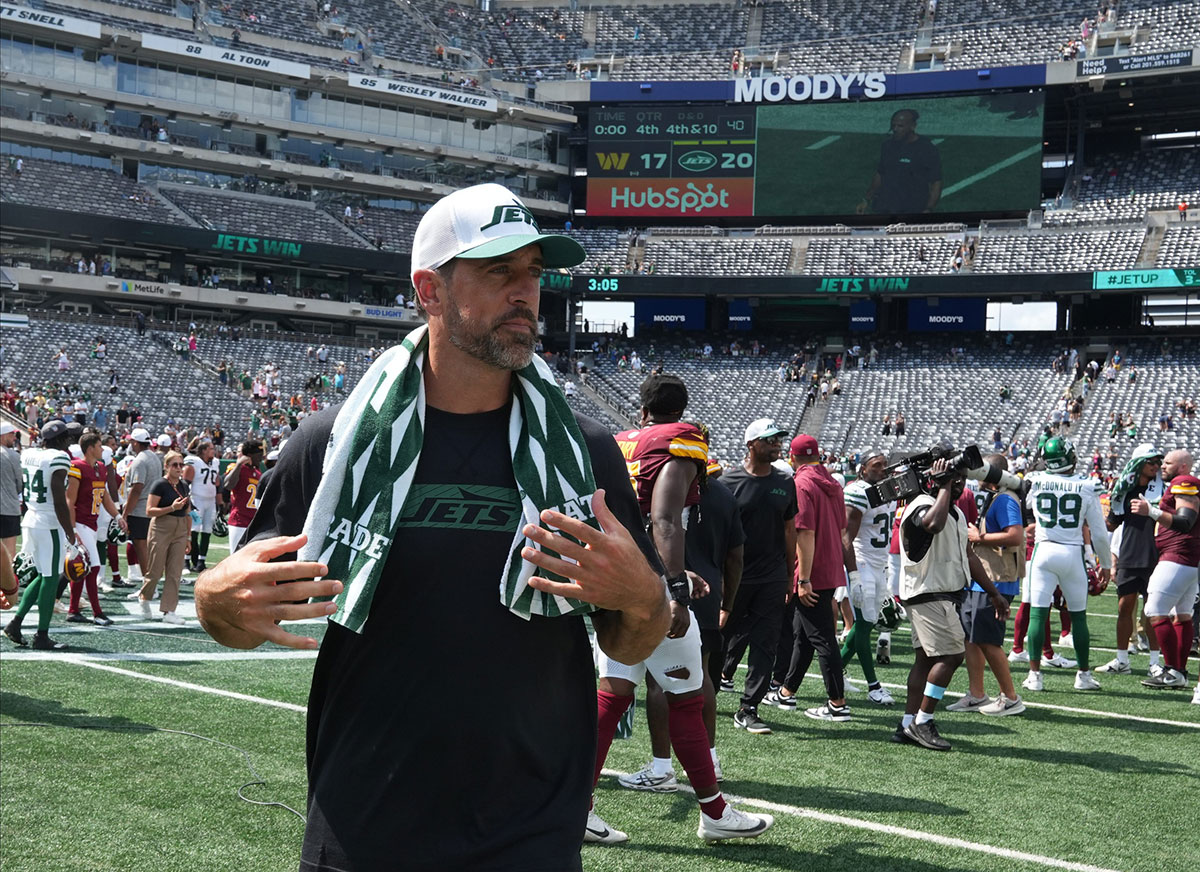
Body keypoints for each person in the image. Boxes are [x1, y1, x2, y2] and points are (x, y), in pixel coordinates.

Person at [194, 183, 672, 870]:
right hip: (365, 814)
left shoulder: (585, 453)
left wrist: (644, 597)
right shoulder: (334, 445)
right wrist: (213, 601)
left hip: (532, 823)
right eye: (499, 271)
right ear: (430, 291)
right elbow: (237, 610)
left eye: (534, 273)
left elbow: (633, 633)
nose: (526, 293)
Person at [597, 375, 771, 843]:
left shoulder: (620, 442)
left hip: (619, 578)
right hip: (652, 588)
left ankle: (575, 806)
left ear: (641, 410)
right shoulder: (681, 440)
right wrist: (673, 584)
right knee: (687, 696)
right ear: (683, 407)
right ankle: (714, 813)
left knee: (613, 694)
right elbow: (665, 517)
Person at [893, 457, 1009, 750]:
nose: (959, 483)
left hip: (940, 592)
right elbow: (931, 523)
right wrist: (942, 486)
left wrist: (993, 592)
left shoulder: (953, 511)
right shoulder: (921, 504)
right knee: (952, 655)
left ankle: (908, 722)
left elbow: (968, 555)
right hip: (929, 592)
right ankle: (923, 720)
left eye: (960, 478)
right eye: (952, 478)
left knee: (926, 659)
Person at [765, 434, 851, 720]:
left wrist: (803, 578)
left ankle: (837, 703)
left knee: (823, 638)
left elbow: (805, 532)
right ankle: (787, 692)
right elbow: (841, 529)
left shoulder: (801, 483)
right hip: (829, 566)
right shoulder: (833, 483)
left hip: (812, 571)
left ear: (793, 456)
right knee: (802, 634)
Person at [721, 418, 798, 735]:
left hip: (772, 576)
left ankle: (749, 707)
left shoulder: (785, 482)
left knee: (766, 643)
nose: (777, 445)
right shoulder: (728, 483)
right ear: (751, 444)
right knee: (721, 638)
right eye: (770, 440)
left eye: (779, 439)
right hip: (735, 577)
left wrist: (790, 572)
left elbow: (789, 528)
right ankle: (705, 692)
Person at [1021, 437, 1112, 692]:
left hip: (1044, 550)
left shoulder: (1036, 481)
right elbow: (1099, 532)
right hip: (1072, 553)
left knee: (1038, 614)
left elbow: (1027, 505)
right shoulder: (1087, 485)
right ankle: (1083, 676)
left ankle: (1035, 676)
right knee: (1078, 617)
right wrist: (1104, 563)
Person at [948, 454, 1025, 715]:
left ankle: (1011, 697)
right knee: (972, 639)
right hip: (984, 578)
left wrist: (978, 537)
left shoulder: (1004, 498)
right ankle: (977, 693)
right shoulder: (997, 496)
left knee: (988, 640)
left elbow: (1015, 536)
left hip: (997, 579)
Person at [3, 421, 75, 650]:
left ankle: (16, 623)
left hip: (31, 518)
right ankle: (41, 635)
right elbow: (58, 496)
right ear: (62, 439)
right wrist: (69, 530)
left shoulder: (29, 453)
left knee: (44, 575)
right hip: (48, 522)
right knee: (52, 578)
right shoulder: (60, 458)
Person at [834, 449, 897, 705]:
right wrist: (855, 575)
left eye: (884, 465)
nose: (881, 469)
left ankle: (835, 672)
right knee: (863, 624)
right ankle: (874, 685)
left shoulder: (889, 489)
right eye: (875, 465)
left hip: (880, 564)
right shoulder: (858, 491)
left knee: (867, 624)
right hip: (861, 563)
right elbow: (846, 536)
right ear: (862, 469)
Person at [1098, 444, 1164, 676]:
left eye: (1158, 462)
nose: (1156, 466)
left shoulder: (1164, 489)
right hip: (1129, 553)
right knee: (1124, 608)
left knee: (1154, 611)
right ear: (1138, 463)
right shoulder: (1124, 490)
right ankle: (1122, 659)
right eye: (1151, 462)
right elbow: (1112, 524)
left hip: (1158, 554)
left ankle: (1155, 663)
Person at [1138, 450, 1198, 689]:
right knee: (1182, 615)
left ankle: (1173, 670)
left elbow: (1185, 522)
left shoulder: (1184, 482)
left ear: (1183, 467)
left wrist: (1151, 511)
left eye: (1168, 463)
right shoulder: (1179, 483)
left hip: (1178, 557)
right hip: (1186, 558)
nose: (1163, 466)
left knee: (1155, 610)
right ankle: (1179, 671)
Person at [64, 431, 121, 625]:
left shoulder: (100, 468)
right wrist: (72, 530)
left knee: (83, 567)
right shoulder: (77, 467)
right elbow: (69, 500)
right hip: (80, 523)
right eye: (98, 446)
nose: (102, 449)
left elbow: (104, 496)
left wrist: (118, 515)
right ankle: (97, 613)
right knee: (93, 566)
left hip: (92, 523)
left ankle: (73, 610)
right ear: (90, 449)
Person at [135, 451, 191, 624]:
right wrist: (171, 508)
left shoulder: (183, 485)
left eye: (181, 465)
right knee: (156, 570)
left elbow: (187, 511)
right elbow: (149, 510)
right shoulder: (159, 484)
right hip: (161, 526)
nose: (179, 468)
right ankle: (144, 597)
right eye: (175, 465)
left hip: (180, 528)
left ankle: (169, 611)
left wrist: (188, 535)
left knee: (175, 572)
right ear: (166, 466)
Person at [857, 108, 942, 215]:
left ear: (912, 126)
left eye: (900, 126)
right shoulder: (887, 146)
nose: (895, 129)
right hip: (885, 206)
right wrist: (866, 200)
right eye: (894, 126)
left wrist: (929, 208)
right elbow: (880, 173)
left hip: (912, 208)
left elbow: (935, 182)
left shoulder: (926, 148)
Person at [120, 427, 161, 588]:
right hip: (150, 507)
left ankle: (149, 585)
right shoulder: (154, 457)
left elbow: (137, 488)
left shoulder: (140, 461)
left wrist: (126, 512)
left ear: (136, 442)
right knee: (148, 548)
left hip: (140, 509)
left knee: (140, 546)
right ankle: (152, 582)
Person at [183, 438, 221, 573]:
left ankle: (201, 561)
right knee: (193, 530)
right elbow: (185, 484)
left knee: (207, 531)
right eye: (211, 449)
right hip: (196, 501)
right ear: (204, 450)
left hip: (210, 502)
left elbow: (217, 484)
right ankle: (186, 560)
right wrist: (188, 502)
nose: (213, 451)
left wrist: (220, 502)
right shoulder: (194, 462)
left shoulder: (215, 462)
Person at [223, 439, 263, 555]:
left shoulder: (258, 473)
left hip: (253, 522)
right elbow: (228, 485)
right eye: (258, 456)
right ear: (250, 456)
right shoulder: (238, 468)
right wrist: (239, 464)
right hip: (239, 521)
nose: (260, 459)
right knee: (236, 557)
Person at [0, 422, 21, 581]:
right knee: (9, 551)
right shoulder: (13, 455)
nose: (14, 438)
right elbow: (19, 484)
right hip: (9, 508)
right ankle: (6, 583)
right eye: (11, 435)